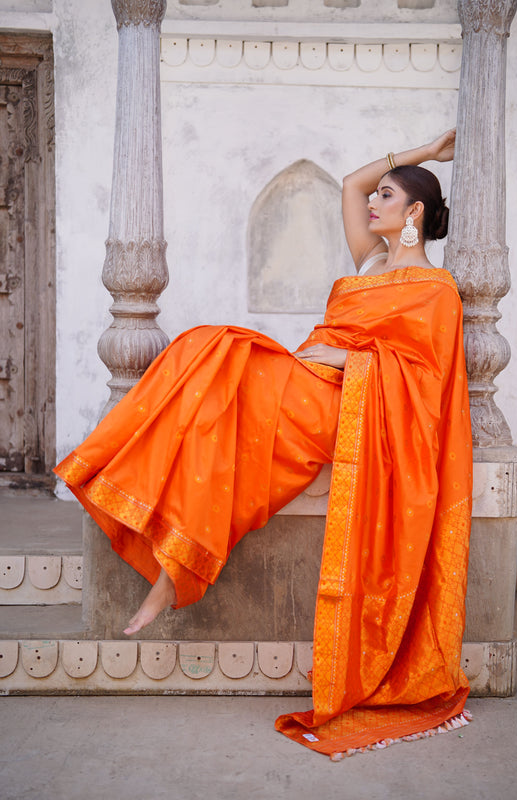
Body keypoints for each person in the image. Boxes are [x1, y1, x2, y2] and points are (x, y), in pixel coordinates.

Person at [55, 129, 473, 759]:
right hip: (310, 380)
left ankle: (174, 564)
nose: (369, 204)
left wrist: (349, 356)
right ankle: (165, 542)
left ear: (414, 213)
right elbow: (351, 181)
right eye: (375, 197)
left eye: (386, 197)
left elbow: (425, 386)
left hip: (350, 406)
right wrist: (422, 153)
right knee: (208, 351)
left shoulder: (437, 291)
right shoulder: (369, 263)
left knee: (223, 351)